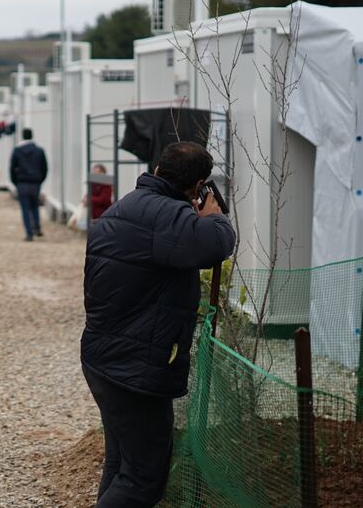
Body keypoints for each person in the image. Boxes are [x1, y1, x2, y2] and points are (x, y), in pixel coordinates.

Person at [81, 141, 235, 507]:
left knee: (122, 463)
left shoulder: (127, 207)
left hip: (102, 357)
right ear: (199, 185)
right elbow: (217, 243)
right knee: (141, 480)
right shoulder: (167, 217)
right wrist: (213, 215)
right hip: (136, 369)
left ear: (156, 170)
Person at [9, 128, 48, 241]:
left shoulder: (17, 150)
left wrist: (15, 182)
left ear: (22, 136)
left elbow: (12, 168)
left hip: (22, 182)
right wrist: (40, 180)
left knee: (25, 208)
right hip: (35, 183)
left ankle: (29, 233)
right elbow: (45, 168)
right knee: (35, 206)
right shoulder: (39, 150)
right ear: (32, 136)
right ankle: (37, 227)